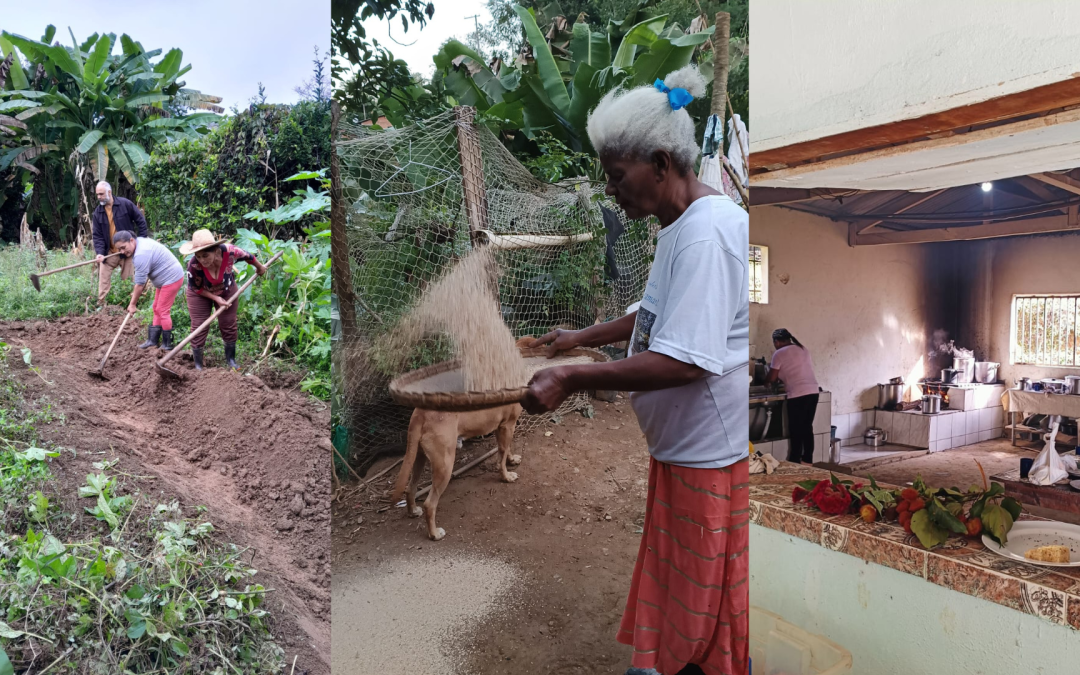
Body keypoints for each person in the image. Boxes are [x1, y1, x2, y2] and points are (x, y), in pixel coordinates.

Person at [522, 65, 749, 675]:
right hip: (679, 452)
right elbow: (650, 315)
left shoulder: (707, 234)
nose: (614, 193)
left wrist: (572, 376)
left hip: (709, 455)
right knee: (686, 585)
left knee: (705, 596)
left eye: (617, 178)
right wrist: (579, 338)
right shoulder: (677, 225)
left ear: (659, 163)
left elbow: (682, 361)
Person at [180, 229, 267, 371]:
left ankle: (231, 361)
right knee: (199, 326)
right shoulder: (194, 265)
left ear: (215, 250)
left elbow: (248, 256)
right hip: (200, 293)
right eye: (198, 256)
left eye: (205, 255)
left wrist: (259, 267)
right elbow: (196, 288)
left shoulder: (230, 252)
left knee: (228, 324)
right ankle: (198, 366)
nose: (202, 260)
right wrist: (216, 298)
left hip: (226, 289)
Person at [111, 231, 184, 350]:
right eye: (120, 249)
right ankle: (152, 341)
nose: (123, 252)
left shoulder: (141, 254)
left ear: (131, 240)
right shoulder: (139, 243)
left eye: (123, 247)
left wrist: (132, 304)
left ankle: (167, 345)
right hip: (164, 279)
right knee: (156, 308)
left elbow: (140, 284)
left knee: (162, 310)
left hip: (171, 278)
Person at [765, 328, 821, 465]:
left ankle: (795, 460)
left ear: (777, 342)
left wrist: (766, 381)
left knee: (796, 429)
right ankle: (807, 460)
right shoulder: (803, 349)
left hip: (798, 394)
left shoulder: (778, 353)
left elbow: (772, 378)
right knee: (807, 427)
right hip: (813, 391)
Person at [91, 181, 149, 307]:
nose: (99, 197)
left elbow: (141, 221)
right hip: (110, 252)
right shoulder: (97, 213)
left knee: (128, 281)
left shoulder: (125, 204)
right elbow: (97, 236)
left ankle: (131, 305)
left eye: (101, 194)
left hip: (126, 252)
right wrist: (100, 253)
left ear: (109, 192)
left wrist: (141, 241)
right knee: (103, 280)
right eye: (97, 195)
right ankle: (102, 307)